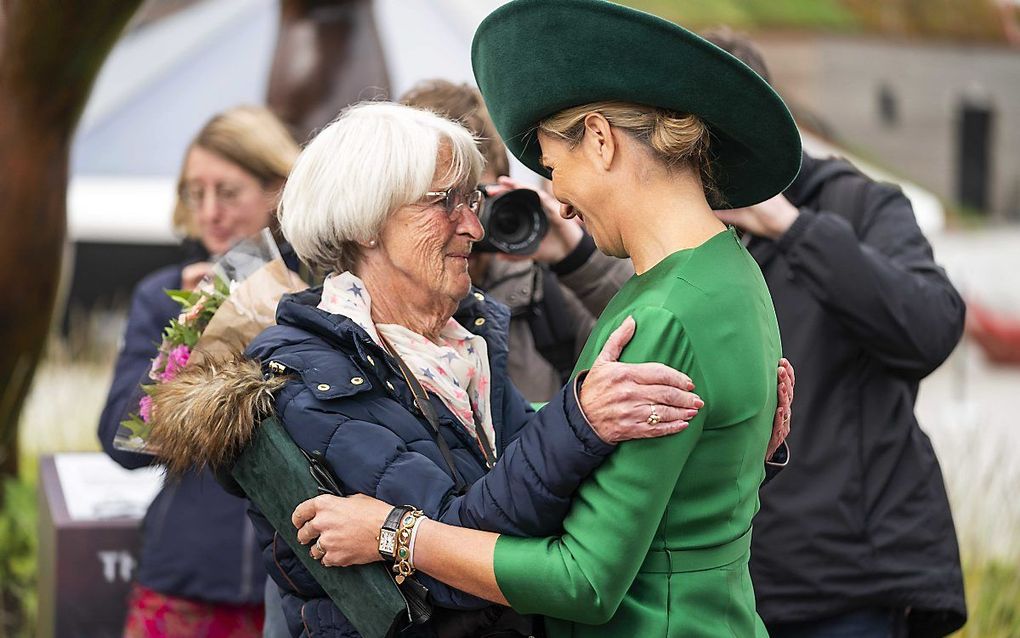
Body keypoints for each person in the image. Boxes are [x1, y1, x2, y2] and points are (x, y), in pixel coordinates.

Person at [153, 100, 760, 638]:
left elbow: (561, 498)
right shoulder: (308, 380)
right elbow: (459, 557)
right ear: (366, 221)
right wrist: (579, 418)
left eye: (470, 200)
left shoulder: (459, 344)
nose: (472, 225)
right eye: (443, 202)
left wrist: (712, 438)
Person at [288, 1, 801, 636]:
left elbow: (582, 580)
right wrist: (748, 451)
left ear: (602, 140)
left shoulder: (662, 314)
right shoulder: (732, 273)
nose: (556, 200)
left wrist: (396, 533)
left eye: (556, 168)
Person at [702, 28, 968, 637]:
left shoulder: (857, 204)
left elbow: (931, 327)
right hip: (716, 586)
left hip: (846, 586)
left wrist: (790, 226)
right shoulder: (673, 238)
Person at [97, 106, 301, 637]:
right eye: (195, 192)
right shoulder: (164, 294)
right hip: (186, 577)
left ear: (276, 191)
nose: (209, 212)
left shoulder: (323, 293)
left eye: (227, 192)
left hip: (299, 584)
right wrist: (191, 331)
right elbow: (122, 441)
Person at [399, 79, 633, 401]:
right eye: (446, 201)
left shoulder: (542, 291)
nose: (471, 226)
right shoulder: (365, 311)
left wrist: (576, 257)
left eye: (477, 200)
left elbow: (659, 335)